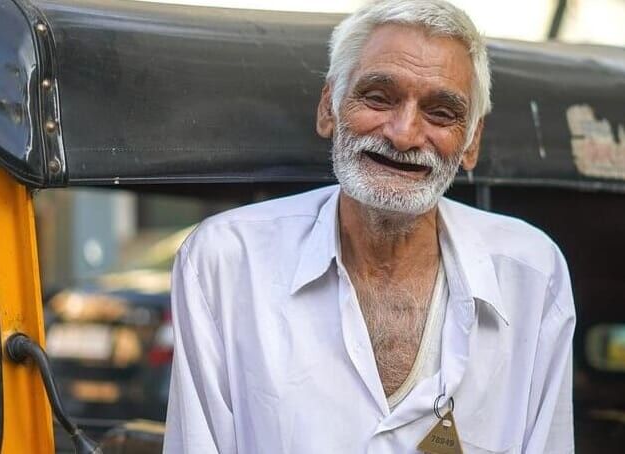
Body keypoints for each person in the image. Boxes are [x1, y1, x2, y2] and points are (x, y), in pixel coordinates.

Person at [163, 0, 575, 452]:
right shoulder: (227, 262)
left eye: (441, 112)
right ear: (329, 108)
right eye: (378, 97)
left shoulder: (531, 276)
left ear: (472, 141)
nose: (403, 134)